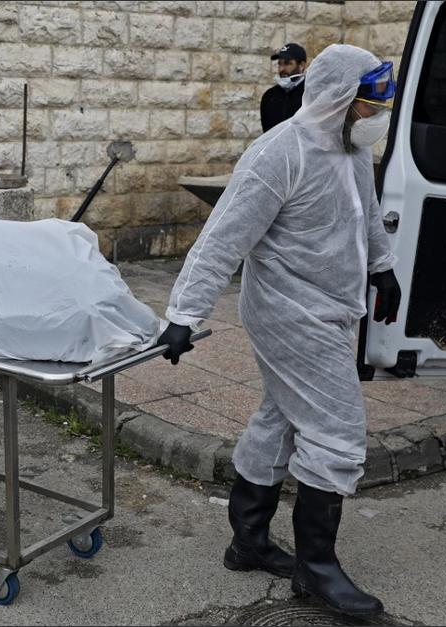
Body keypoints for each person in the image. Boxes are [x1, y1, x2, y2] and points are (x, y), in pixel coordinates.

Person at [157, 44, 400, 619]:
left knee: (281, 416)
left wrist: (382, 267)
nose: (374, 119)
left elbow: (365, 214)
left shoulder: (350, 149)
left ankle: (248, 542)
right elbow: (222, 240)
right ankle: (316, 570)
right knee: (338, 431)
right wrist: (184, 316)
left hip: (333, 307)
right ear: (338, 99)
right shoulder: (278, 154)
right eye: (367, 107)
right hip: (288, 312)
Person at [260, 43, 307, 132]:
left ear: (301, 65)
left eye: (287, 63)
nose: (281, 69)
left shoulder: (310, 94)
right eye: (279, 64)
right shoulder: (270, 96)